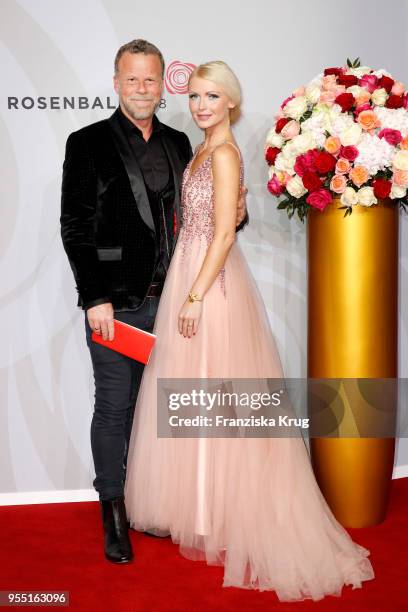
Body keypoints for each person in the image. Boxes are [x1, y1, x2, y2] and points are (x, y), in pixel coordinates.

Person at [124, 61, 375, 601]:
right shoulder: (199, 152)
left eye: (212, 97)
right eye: (194, 97)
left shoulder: (223, 154)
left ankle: (218, 509)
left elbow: (222, 238)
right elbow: (218, 221)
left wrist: (193, 295)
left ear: (231, 103)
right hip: (187, 278)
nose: (201, 106)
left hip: (208, 285)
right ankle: (197, 506)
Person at [60, 39, 249, 565]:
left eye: (151, 80)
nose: (142, 89)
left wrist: (239, 210)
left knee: (159, 412)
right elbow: (75, 227)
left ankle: (153, 503)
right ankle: (113, 510)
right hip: (116, 305)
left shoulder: (180, 142)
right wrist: (93, 297)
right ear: (116, 82)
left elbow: (203, 217)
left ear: (163, 84)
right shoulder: (88, 141)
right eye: (132, 80)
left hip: (174, 302)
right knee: (115, 409)